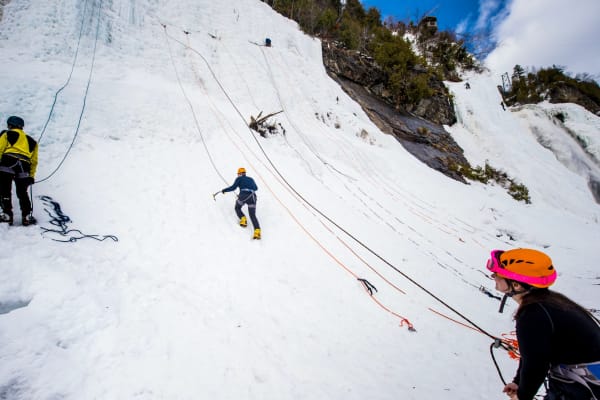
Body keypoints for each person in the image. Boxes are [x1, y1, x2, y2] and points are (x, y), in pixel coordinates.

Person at [486, 248, 600, 400]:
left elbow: (536, 365)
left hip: (579, 387)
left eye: (498, 274)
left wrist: (522, 396)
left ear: (516, 285)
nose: (493, 276)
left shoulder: (533, 315)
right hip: (583, 380)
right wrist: (519, 382)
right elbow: (533, 353)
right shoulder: (548, 302)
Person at [0, 116, 38, 226]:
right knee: (22, 192)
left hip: (8, 162)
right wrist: (31, 175)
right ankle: (26, 216)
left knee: (4, 189)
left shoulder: (7, 134)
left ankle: (7, 215)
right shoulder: (32, 142)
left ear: (10, 125)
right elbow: (34, 161)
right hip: (24, 166)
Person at [221, 167, 261, 239]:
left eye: (238, 174)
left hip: (243, 196)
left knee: (237, 207)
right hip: (253, 197)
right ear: (245, 173)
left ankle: (243, 219)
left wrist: (224, 190)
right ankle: (257, 232)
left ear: (240, 174)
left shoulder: (239, 179)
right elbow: (256, 188)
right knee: (252, 215)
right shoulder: (251, 179)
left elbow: (233, 187)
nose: (238, 175)